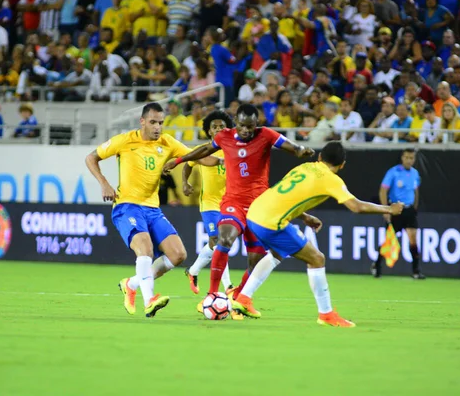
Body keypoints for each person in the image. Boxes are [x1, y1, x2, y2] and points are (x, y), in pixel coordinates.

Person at [231, 141, 403, 324]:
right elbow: (356, 206)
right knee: (317, 258)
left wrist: (304, 217)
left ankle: (243, 299)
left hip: (255, 212)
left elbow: (285, 195)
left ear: (320, 157)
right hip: (271, 222)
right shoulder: (331, 179)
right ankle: (326, 314)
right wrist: (389, 209)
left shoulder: (305, 166)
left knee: (277, 252)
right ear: (342, 165)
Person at [163, 104, 314, 311]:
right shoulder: (225, 136)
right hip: (232, 202)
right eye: (242, 126)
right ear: (236, 123)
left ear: (257, 125)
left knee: (256, 258)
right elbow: (205, 149)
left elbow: (288, 145)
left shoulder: (265, 135)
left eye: (250, 127)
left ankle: (239, 298)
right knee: (224, 239)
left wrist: (299, 150)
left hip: (258, 207)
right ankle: (212, 294)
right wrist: (179, 160)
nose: (246, 131)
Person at [84, 103, 221, 318]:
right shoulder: (125, 140)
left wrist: (226, 160)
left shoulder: (168, 142)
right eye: (153, 123)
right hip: (126, 206)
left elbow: (199, 157)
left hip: (152, 208)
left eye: (161, 123)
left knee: (178, 255)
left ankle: (132, 284)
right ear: (143, 122)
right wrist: (104, 183)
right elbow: (91, 157)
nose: (158, 127)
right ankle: (149, 300)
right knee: (145, 250)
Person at [182, 111, 233, 296]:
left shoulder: (233, 149)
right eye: (214, 127)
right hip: (209, 203)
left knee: (218, 244)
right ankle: (228, 286)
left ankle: (193, 271)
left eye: (222, 126)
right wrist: (184, 182)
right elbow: (188, 163)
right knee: (219, 242)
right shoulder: (204, 149)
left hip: (228, 203)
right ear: (209, 131)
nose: (219, 129)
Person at [372, 149, 425, 279]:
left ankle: (416, 271)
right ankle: (377, 265)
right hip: (396, 209)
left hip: (409, 210)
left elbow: (415, 191)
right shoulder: (393, 172)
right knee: (389, 241)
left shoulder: (415, 173)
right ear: (402, 158)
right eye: (406, 157)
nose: (409, 160)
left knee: (413, 240)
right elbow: (383, 190)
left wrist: (414, 207)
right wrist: (386, 210)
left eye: (411, 158)